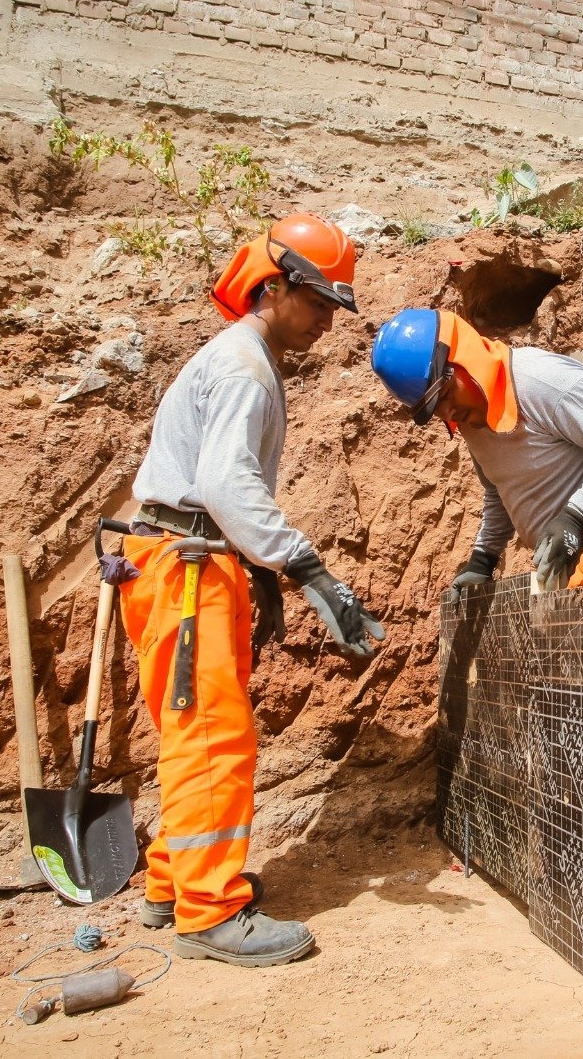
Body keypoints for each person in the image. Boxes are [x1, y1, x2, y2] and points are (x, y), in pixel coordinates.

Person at [117, 211, 385, 968]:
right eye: (321, 303)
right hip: (189, 561)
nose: (328, 323)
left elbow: (221, 493)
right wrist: (304, 569)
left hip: (193, 556)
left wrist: (258, 569)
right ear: (274, 287)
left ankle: (174, 882)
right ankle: (209, 911)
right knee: (212, 735)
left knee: (194, 727)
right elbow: (228, 485)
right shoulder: (242, 367)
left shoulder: (243, 359)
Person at [369, 308, 583, 593]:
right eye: (432, 408)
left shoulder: (539, 381)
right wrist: (484, 558)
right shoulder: (472, 419)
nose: (448, 412)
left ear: (463, 360)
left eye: (445, 394)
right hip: (572, 566)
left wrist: (575, 516)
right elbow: (499, 490)